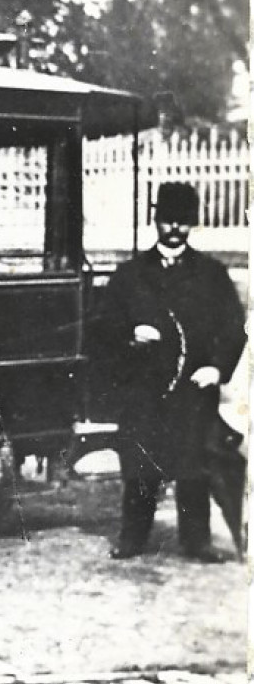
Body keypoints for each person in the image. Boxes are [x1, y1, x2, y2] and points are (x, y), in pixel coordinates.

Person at [98, 182, 245, 562]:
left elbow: (232, 327)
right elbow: (104, 326)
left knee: (193, 465)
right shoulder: (130, 275)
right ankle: (133, 539)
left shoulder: (212, 275)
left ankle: (196, 542)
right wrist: (130, 335)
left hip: (193, 387)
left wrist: (217, 368)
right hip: (144, 388)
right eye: (168, 220)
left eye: (183, 221)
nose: (176, 229)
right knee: (140, 464)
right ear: (156, 220)